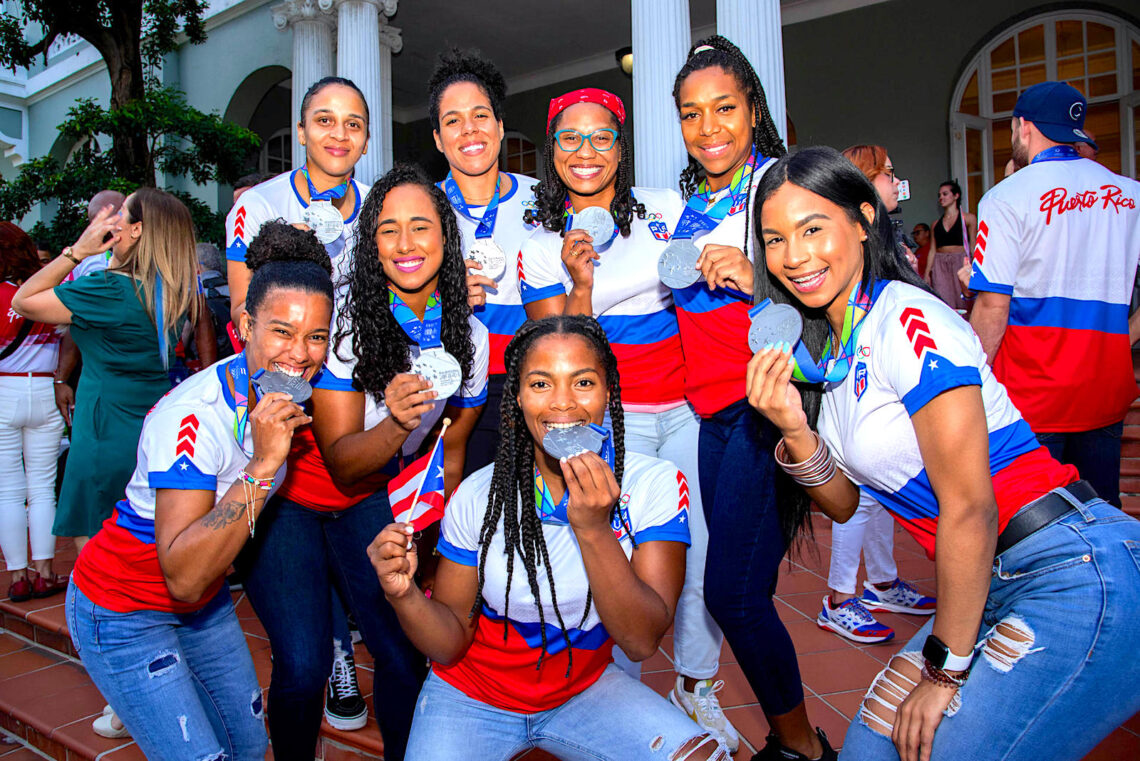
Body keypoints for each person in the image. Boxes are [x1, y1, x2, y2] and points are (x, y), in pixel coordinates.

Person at [747, 143, 1140, 761]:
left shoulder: (907, 317)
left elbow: (970, 510)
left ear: (864, 219)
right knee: (870, 751)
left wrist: (942, 674)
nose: (793, 256)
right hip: (990, 580)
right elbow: (847, 504)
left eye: (812, 228)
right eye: (773, 240)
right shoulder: (836, 351)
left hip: (1071, 570)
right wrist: (794, 430)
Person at [370, 314, 728, 761]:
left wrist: (595, 529)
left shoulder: (654, 483)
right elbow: (449, 643)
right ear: (517, 398)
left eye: (582, 383)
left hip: (584, 691)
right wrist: (404, 595)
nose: (562, 403)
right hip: (472, 695)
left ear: (609, 392)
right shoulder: (479, 496)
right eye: (540, 384)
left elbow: (640, 642)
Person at [518, 86, 736, 750]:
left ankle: (696, 685)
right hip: (617, 422)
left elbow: (717, 269)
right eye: (571, 138)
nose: (587, 152)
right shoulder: (538, 243)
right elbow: (556, 353)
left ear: (621, 145)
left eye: (602, 136)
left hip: (689, 409)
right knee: (622, 560)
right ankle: (618, 701)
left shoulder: (667, 211)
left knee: (700, 551)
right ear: (553, 149)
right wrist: (580, 288)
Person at [63, 227, 334, 761]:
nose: (300, 354)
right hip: (122, 610)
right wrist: (263, 465)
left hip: (204, 605)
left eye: (317, 336)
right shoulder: (192, 417)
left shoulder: (283, 398)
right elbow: (183, 578)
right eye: (282, 332)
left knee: (249, 746)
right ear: (244, 326)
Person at [668, 36, 835, 761]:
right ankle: (793, 735)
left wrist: (758, 274)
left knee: (729, 592)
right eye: (691, 113)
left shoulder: (779, 185)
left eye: (724, 108)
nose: (708, 128)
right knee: (745, 585)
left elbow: (832, 305)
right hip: (709, 415)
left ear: (754, 108)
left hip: (761, 408)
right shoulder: (690, 199)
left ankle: (801, 744)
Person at [224, 75, 374, 731]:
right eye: (324, 120)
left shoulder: (377, 206)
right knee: (294, 550)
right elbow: (239, 308)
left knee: (353, 535)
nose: (338, 134)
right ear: (302, 127)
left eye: (353, 123)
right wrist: (285, 373)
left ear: (366, 137)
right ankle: (330, 648)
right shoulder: (257, 203)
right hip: (282, 394)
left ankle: (344, 643)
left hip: (354, 398)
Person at [968, 81, 1140, 508]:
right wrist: (1123, 337)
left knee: (1033, 528)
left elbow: (992, 305)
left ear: (1023, 127)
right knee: (1102, 515)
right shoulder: (1131, 195)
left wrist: (970, 382)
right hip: (1105, 389)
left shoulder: (1007, 196)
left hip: (1031, 396)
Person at [13, 188, 201, 553]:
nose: (112, 223)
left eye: (121, 217)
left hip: (104, 424)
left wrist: (77, 252)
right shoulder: (170, 290)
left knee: (98, 546)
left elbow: (24, 301)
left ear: (136, 231)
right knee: (142, 538)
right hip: (150, 422)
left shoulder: (108, 289)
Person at [805, 145, 935, 645]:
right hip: (850, 372)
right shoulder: (853, 236)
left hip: (883, 369)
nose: (897, 183)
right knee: (857, 490)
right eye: (889, 174)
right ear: (864, 183)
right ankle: (838, 598)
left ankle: (881, 581)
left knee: (879, 492)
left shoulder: (887, 233)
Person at [428, 49, 538, 475]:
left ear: (500, 126)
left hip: (532, 382)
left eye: (480, 115)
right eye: (452, 120)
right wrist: (443, 297)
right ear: (438, 138)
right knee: (462, 519)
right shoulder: (420, 210)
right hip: (452, 385)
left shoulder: (543, 202)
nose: (469, 129)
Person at [0, 222, 65, 601]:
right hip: (45, 387)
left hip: (4, 390)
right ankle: (44, 572)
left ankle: (17, 577)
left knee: (8, 491)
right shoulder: (44, 294)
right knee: (42, 489)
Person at [926, 180, 975, 310]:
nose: (941, 198)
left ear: (956, 196)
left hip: (960, 260)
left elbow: (973, 245)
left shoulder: (968, 219)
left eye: (945, 194)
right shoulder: (935, 224)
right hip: (940, 263)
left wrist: (976, 268)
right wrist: (926, 273)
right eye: (939, 195)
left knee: (964, 298)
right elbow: (932, 250)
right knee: (944, 299)